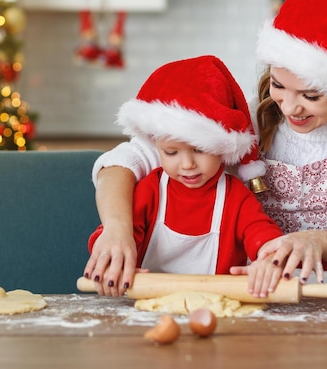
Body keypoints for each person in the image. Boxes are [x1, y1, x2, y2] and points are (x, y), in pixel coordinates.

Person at [83, 0, 327, 298]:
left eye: (311, 96)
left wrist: (321, 241)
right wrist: (116, 229)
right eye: (278, 85)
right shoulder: (246, 121)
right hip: (252, 293)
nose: (290, 107)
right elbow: (125, 161)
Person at [84, 55, 284, 297]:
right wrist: (109, 251)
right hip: (147, 307)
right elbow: (116, 237)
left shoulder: (236, 198)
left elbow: (261, 234)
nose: (187, 164)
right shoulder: (150, 190)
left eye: (199, 150)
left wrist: (269, 258)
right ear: (156, 147)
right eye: (171, 152)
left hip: (215, 308)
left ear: (222, 146)